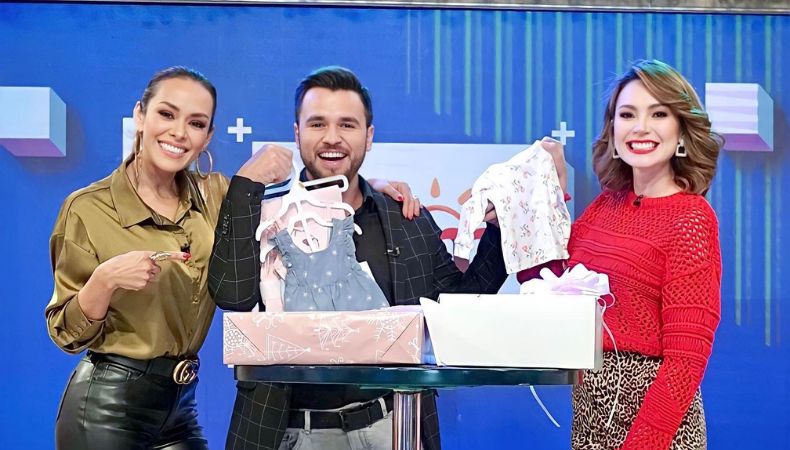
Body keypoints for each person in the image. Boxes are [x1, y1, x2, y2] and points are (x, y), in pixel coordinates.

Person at [45, 66, 413, 450]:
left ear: (207, 137)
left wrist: (374, 189)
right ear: (140, 115)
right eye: (166, 114)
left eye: (196, 123)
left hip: (179, 405)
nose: (179, 132)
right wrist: (104, 281)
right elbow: (65, 331)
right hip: (106, 405)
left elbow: (303, 198)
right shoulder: (87, 208)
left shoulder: (218, 194)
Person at [207, 66, 519, 450]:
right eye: (318, 124)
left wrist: (500, 233)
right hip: (287, 432)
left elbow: (457, 304)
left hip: (391, 426)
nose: (332, 137)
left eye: (347, 124)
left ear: (369, 136)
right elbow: (233, 296)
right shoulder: (266, 213)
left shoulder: (404, 217)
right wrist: (244, 187)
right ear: (297, 133)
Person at [521, 59, 722, 450]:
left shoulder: (692, 219)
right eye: (627, 114)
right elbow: (546, 289)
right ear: (612, 131)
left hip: (658, 432)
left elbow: (685, 361)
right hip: (590, 425)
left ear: (681, 129)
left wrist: (644, 442)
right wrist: (533, 207)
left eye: (658, 114)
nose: (641, 127)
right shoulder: (604, 207)